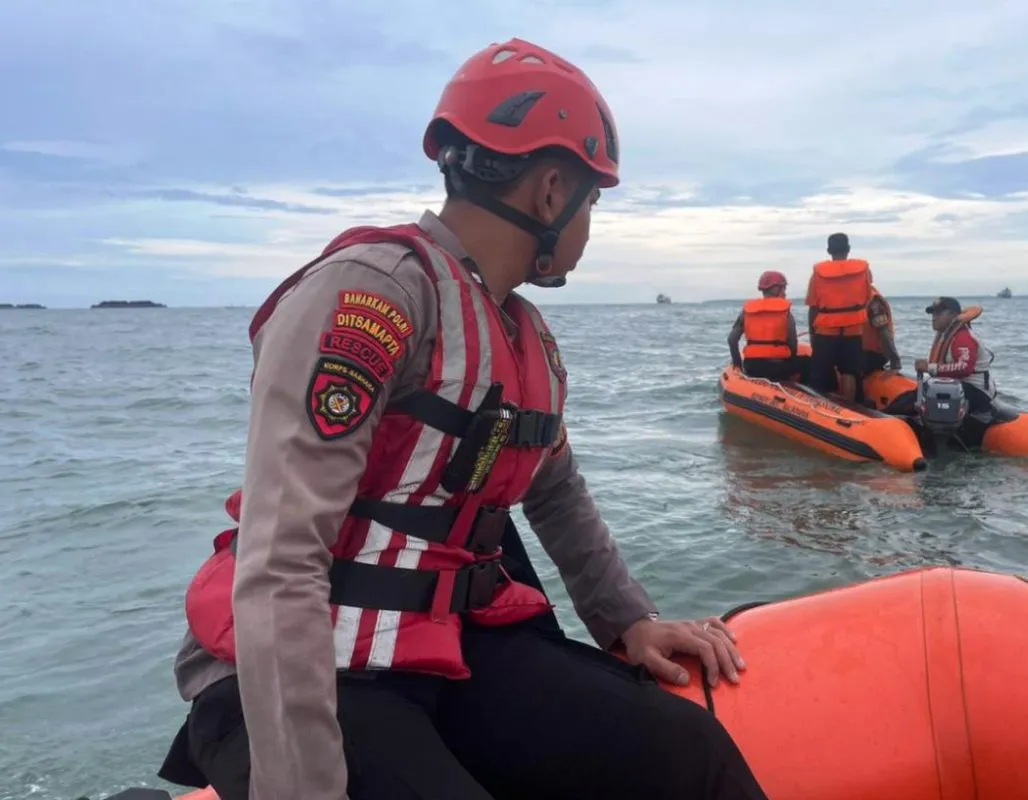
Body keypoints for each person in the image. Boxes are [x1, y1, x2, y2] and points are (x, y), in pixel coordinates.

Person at [155, 38, 768, 800]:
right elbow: (282, 560)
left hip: (449, 645)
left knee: (690, 755)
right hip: (307, 669)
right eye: (592, 202)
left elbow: (556, 491)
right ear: (551, 192)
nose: (588, 224)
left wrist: (629, 622)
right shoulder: (371, 297)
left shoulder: (520, 335)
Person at [805, 232, 871, 402]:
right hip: (853, 329)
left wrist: (812, 332)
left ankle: (819, 412)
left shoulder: (818, 274)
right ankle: (851, 407)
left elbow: (813, 306)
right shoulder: (863, 272)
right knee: (850, 370)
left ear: (829, 250)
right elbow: (867, 298)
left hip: (826, 331)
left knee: (819, 373)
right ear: (848, 249)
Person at [914, 296, 997, 416]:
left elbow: (964, 367)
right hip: (958, 386)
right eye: (932, 314)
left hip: (977, 390)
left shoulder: (963, 337)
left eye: (938, 313)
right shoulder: (948, 334)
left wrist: (929, 367)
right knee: (919, 393)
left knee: (929, 393)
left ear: (953, 314)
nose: (933, 318)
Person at [727, 270, 808, 383]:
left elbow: (732, 339)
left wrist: (737, 364)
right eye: (783, 288)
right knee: (811, 362)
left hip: (752, 366)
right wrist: (790, 359)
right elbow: (792, 342)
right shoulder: (785, 312)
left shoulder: (747, 311)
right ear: (776, 289)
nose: (785, 292)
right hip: (778, 367)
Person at [861, 283, 902, 374]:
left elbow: (884, 332)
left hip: (873, 354)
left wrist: (895, 363)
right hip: (861, 351)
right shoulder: (855, 298)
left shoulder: (873, 302)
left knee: (848, 366)